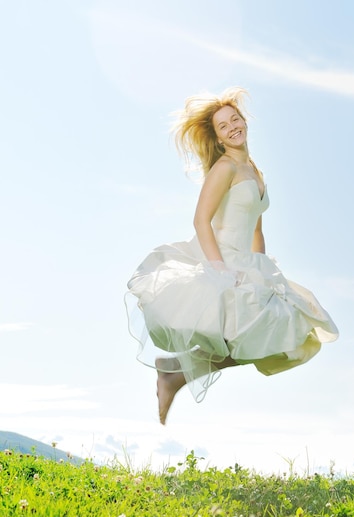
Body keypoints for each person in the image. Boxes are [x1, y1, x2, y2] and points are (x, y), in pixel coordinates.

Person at [125, 87, 338, 424]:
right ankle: (174, 375)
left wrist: (264, 273)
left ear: (245, 121)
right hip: (219, 259)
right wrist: (218, 271)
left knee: (285, 338)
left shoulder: (255, 171)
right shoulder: (224, 168)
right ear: (220, 138)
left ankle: (174, 372)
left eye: (235, 119)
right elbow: (200, 221)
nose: (233, 127)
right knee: (258, 337)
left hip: (249, 263)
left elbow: (256, 229)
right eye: (224, 126)